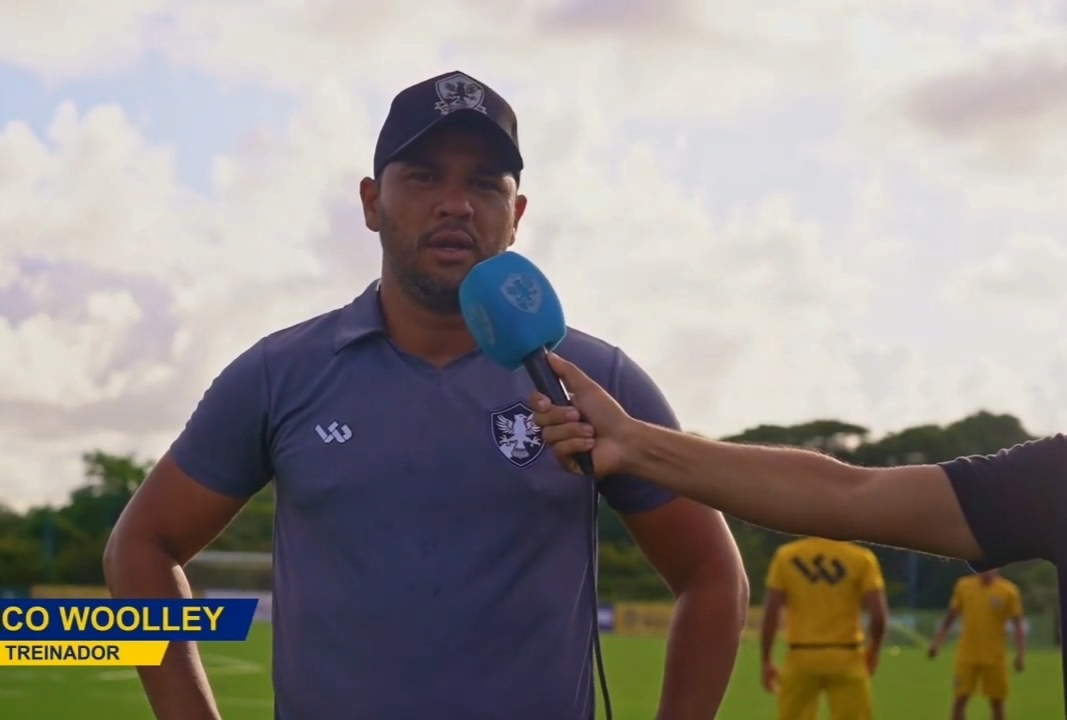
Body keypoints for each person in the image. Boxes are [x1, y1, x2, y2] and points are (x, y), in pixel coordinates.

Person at [103, 70, 749, 720]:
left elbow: (713, 575)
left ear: (517, 215)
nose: (455, 204)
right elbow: (141, 545)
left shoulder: (591, 380)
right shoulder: (279, 374)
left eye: (485, 183)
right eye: (423, 176)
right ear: (370, 203)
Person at [525, 352, 1067, 707]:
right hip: (818, 654)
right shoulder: (1053, 478)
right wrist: (635, 445)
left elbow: (847, 500)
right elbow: (847, 495)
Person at [761, 537, 888, 720]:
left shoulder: (786, 556)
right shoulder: (861, 558)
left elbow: (771, 610)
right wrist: (874, 649)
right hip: (846, 655)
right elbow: (878, 615)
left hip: (801, 655)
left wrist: (767, 659)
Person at [928, 570, 1027, 720]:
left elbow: (1018, 624)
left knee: (997, 702)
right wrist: (937, 643)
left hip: (995, 657)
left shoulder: (1008, 590)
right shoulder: (964, 586)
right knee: (960, 699)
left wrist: (1021, 655)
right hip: (967, 655)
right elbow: (950, 617)